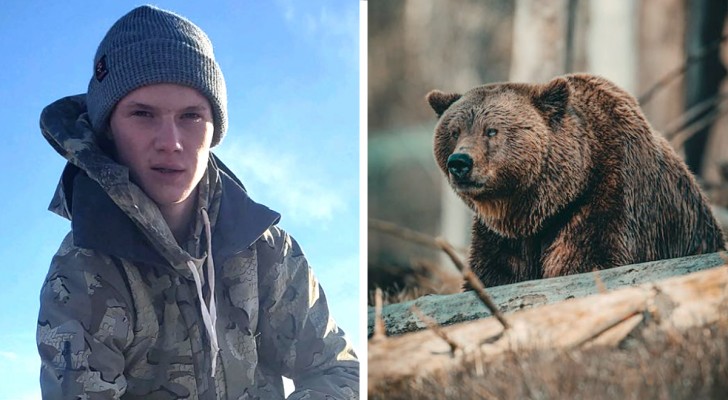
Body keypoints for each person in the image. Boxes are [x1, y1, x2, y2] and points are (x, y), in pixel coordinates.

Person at [36, 5, 359, 399]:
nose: (170, 141)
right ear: (108, 129)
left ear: (214, 129)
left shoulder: (267, 251)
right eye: (143, 114)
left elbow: (339, 371)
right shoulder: (82, 274)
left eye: (191, 116)